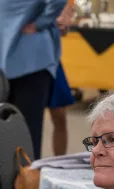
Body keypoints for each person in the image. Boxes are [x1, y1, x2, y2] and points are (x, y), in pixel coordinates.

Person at [0, 0, 66, 160]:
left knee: (3, 130)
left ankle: (13, 182)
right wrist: (42, 23)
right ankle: (19, 181)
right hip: (25, 57)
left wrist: (40, 23)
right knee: (22, 132)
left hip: (7, 57)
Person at [49, 0, 75, 156]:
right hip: (25, 60)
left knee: (59, 116)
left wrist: (64, 20)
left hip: (52, 61)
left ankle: (59, 163)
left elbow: (63, 29)